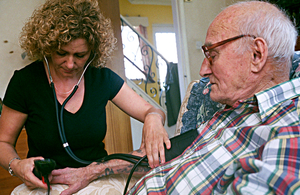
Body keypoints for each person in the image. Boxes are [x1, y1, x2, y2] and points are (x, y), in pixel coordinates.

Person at [126, 1, 300, 194]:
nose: (202, 70)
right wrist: (97, 169)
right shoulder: (235, 106)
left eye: (212, 55)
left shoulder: (289, 130)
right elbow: (172, 149)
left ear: (256, 55)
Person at [0, 0, 170, 193]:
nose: (70, 64)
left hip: (96, 179)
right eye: (61, 53)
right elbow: (3, 143)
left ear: (93, 52)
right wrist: (16, 166)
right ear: (47, 46)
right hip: (46, 183)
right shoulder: (25, 82)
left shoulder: (102, 78)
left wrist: (154, 118)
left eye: (80, 55)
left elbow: (151, 109)